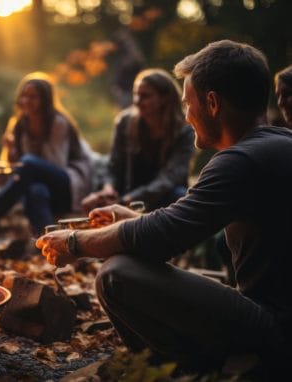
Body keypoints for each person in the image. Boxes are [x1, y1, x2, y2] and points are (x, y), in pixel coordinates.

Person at [36, 40, 291, 378]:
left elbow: (163, 239)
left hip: (277, 329)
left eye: (188, 104)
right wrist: (135, 220)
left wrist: (74, 243)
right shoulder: (277, 145)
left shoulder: (240, 160)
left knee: (117, 275)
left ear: (212, 103)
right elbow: (182, 225)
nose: (186, 116)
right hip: (274, 314)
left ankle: (181, 370)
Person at [0, 72, 92, 235]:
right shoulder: (20, 124)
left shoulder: (58, 122)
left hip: (68, 184)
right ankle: (51, 241)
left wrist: (28, 164)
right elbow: (17, 167)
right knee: (36, 191)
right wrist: (12, 151)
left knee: (29, 163)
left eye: (33, 97)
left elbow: (56, 164)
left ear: (45, 100)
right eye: (24, 96)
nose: (26, 101)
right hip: (42, 185)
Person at [81, 68, 195, 213]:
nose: (137, 101)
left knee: (179, 195)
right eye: (136, 94)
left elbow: (169, 178)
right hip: (126, 193)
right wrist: (108, 189)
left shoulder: (184, 131)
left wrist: (130, 199)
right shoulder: (125, 122)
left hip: (163, 196)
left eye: (145, 96)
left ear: (164, 98)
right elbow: (114, 164)